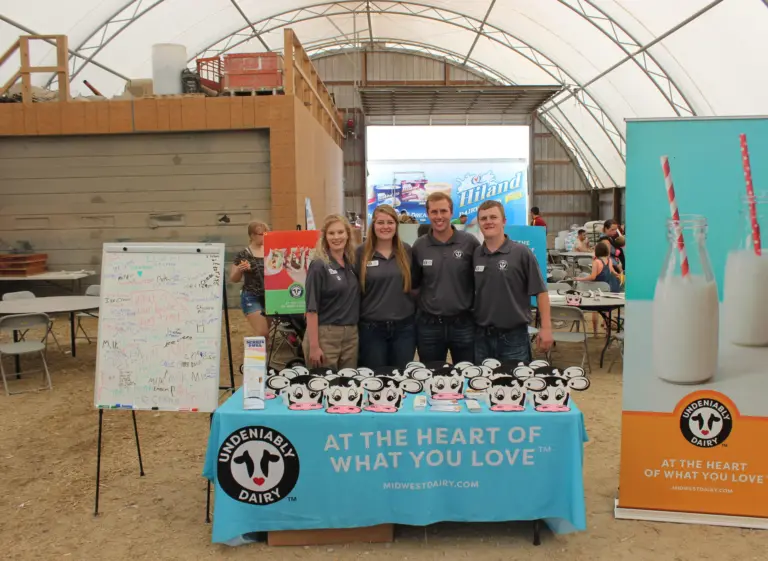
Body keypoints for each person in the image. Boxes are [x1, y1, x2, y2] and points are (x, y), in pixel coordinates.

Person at [473, 201, 553, 363]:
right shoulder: (475, 254)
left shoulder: (521, 253)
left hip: (514, 338)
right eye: (483, 218)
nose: (488, 221)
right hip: (481, 338)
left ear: (504, 221)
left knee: (515, 386)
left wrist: (546, 328)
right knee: (482, 387)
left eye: (493, 217)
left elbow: (541, 292)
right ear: (479, 223)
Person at [411, 192, 480, 363]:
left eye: (443, 211)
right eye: (434, 212)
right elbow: (414, 284)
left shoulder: (469, 243)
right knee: (432, 378)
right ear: (428, 214)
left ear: (451, 212)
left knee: (467, 378)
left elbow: (481, 280)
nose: (439, 216)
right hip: (429, 326)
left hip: (463, 324)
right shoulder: (419, 246)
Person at [356, 205, 416, 370]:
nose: (385, 226)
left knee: (402, 379)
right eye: (380, 222)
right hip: (371, 330)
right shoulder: (360, 253)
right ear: (373, 225)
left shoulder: (407, 251)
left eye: (390, 222)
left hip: (404, 329)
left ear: (396, 226)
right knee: (376, 380)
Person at [303, 215, 360, 369]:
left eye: (340, 232)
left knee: (348, 387)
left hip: (351, 335)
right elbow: (311, 309)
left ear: (348, 234)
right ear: (325, 237)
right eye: (331, 233)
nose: (336, 237)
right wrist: (314, 346)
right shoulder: (319, 265)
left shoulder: (352, 263)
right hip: (325, 334)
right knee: (325, 385)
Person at [230, 221, 270, 341]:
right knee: (262, 332)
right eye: (261, 234)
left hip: (269, 296)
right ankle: (257, 358)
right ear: (252, 235)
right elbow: (234, 278)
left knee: (266, 334)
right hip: (251, 296)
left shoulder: (271, 251)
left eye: (266, 234)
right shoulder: (243, 254)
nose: (264, 236)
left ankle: (264, 359)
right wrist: (239, 270)